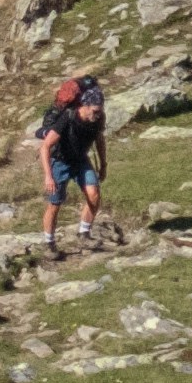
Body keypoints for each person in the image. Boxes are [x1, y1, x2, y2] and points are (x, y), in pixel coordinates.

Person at [37, 70, 112, 249]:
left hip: (80, 160)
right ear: (85, 105)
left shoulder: (98, 119)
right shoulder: (68, 118)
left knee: (94, 194)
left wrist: (103, 165)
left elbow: (99, 141)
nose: (97, 115)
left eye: (100, 111)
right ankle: (49, 244)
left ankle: (84, 234)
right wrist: (48, 176)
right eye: (95, 111)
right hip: (60, 161)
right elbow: (45, 147)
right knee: (55, 204)